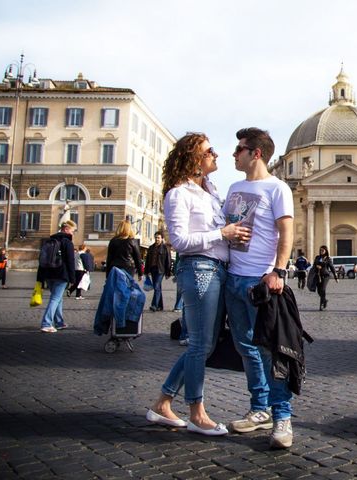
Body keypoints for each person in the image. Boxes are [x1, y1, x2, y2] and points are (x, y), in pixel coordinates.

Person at [147, 132, 247, 436]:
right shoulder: (178, 194)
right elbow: (179, 241)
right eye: (210, 151)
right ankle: (196, 412)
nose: (216, 155)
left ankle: (162, 404)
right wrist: (223, 234)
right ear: (194, 158)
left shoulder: (209, 193)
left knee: (204, 344)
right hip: (199, 269)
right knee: (200, 344)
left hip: (218, 270)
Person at [223, 127, 295, 449]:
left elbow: (286, 232)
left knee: (269, 351)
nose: (233, 154)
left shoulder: (278, 188)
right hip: (233, 279)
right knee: (245, 349)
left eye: (239, 149)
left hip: (260, 281)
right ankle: (259, 409)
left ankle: (282, 416)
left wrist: (279, 270)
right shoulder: (233, 187)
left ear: (256, 153)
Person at [37, 220, 76, 333]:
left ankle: (59, 322)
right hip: (61, 274)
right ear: (66, 229)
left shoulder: (49, 240)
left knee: (58, 298)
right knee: (55, 298)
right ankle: (46, 323)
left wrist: (40, 277)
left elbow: (41, 259)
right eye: (73, 231)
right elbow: (70, 261)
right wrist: (73, 278)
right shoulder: (67, 242)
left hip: (48, 273)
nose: (73, 234)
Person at [145, 231, 172, 312]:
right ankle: (160, 306)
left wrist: (168, 273)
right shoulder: (151, 247)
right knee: (158, 287)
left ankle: (154, 305)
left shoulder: (165, 248)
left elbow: (168, 261)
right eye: (156, 237)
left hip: (161, 270)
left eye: (158, 238)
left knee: (156, 286)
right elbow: (148, 261)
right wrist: (146, 272)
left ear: (162, 238)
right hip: (153, 269)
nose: (157, 239)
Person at [312, 245, 339, 311]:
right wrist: (316, 266)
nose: (321, 251)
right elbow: (314, 265)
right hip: (318, 276)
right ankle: (325, 300)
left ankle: (321, 305)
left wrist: (336, 277)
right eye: (320, 250)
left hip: (325, 276)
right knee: (319, 291)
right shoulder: (317, 257)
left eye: (323, 250)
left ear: (326, 251)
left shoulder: (328, 259)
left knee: (323, 289)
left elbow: (332, 268)